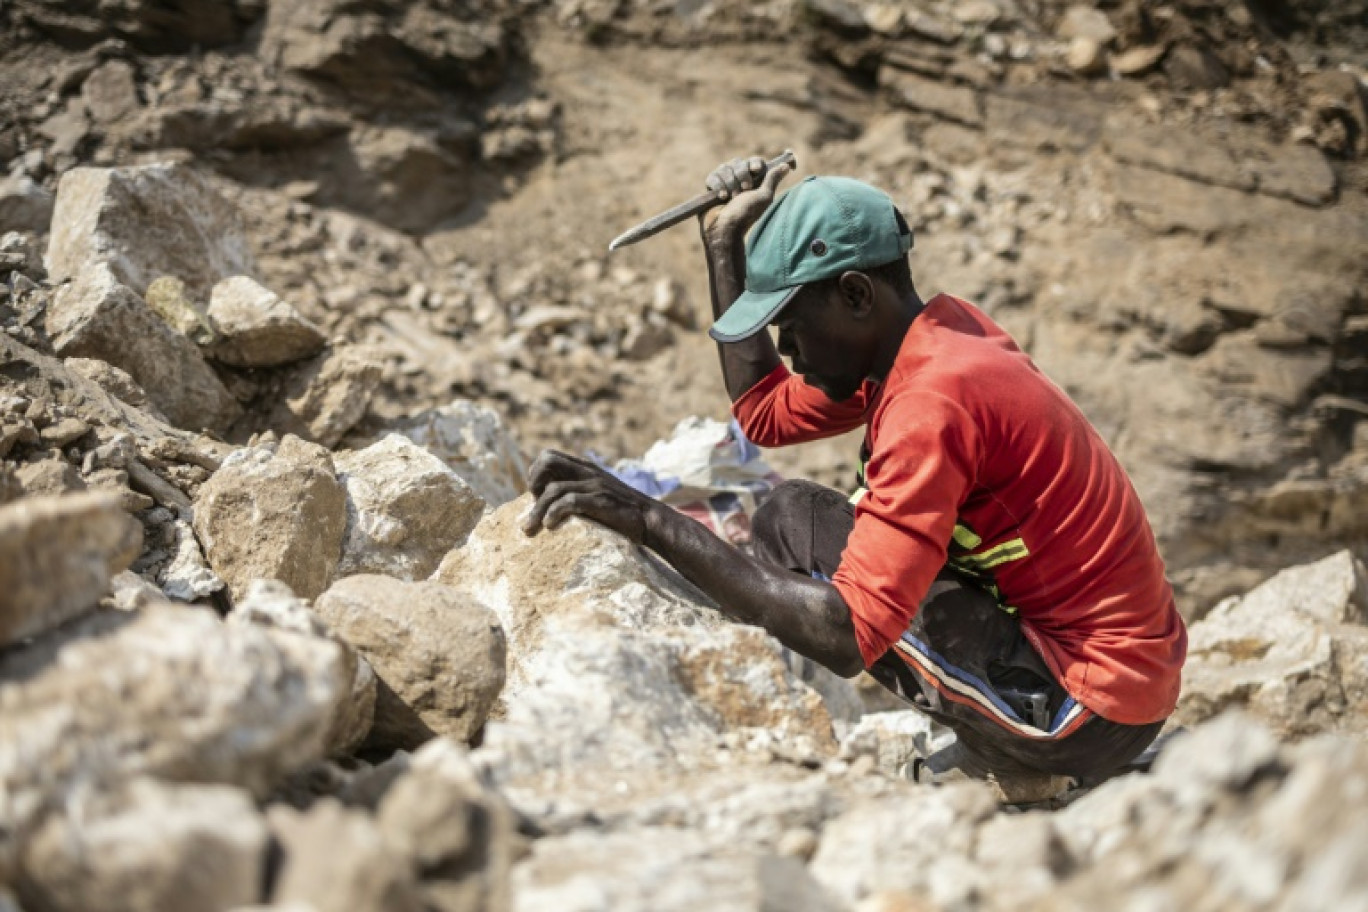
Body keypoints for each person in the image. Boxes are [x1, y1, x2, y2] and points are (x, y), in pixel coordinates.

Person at [522, 155, 1187, 782]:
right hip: (1098, 660)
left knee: (831, 589)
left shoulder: (932, 403)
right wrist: (724, 241)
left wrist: (641, 515)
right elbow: (764, 412)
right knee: (791, 519)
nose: (785, 348)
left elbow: (845, 637)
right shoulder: (934, 338)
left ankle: (1026, 749)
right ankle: (997, 723)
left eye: (790, 324)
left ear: (855, 294)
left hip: (1092, 706)